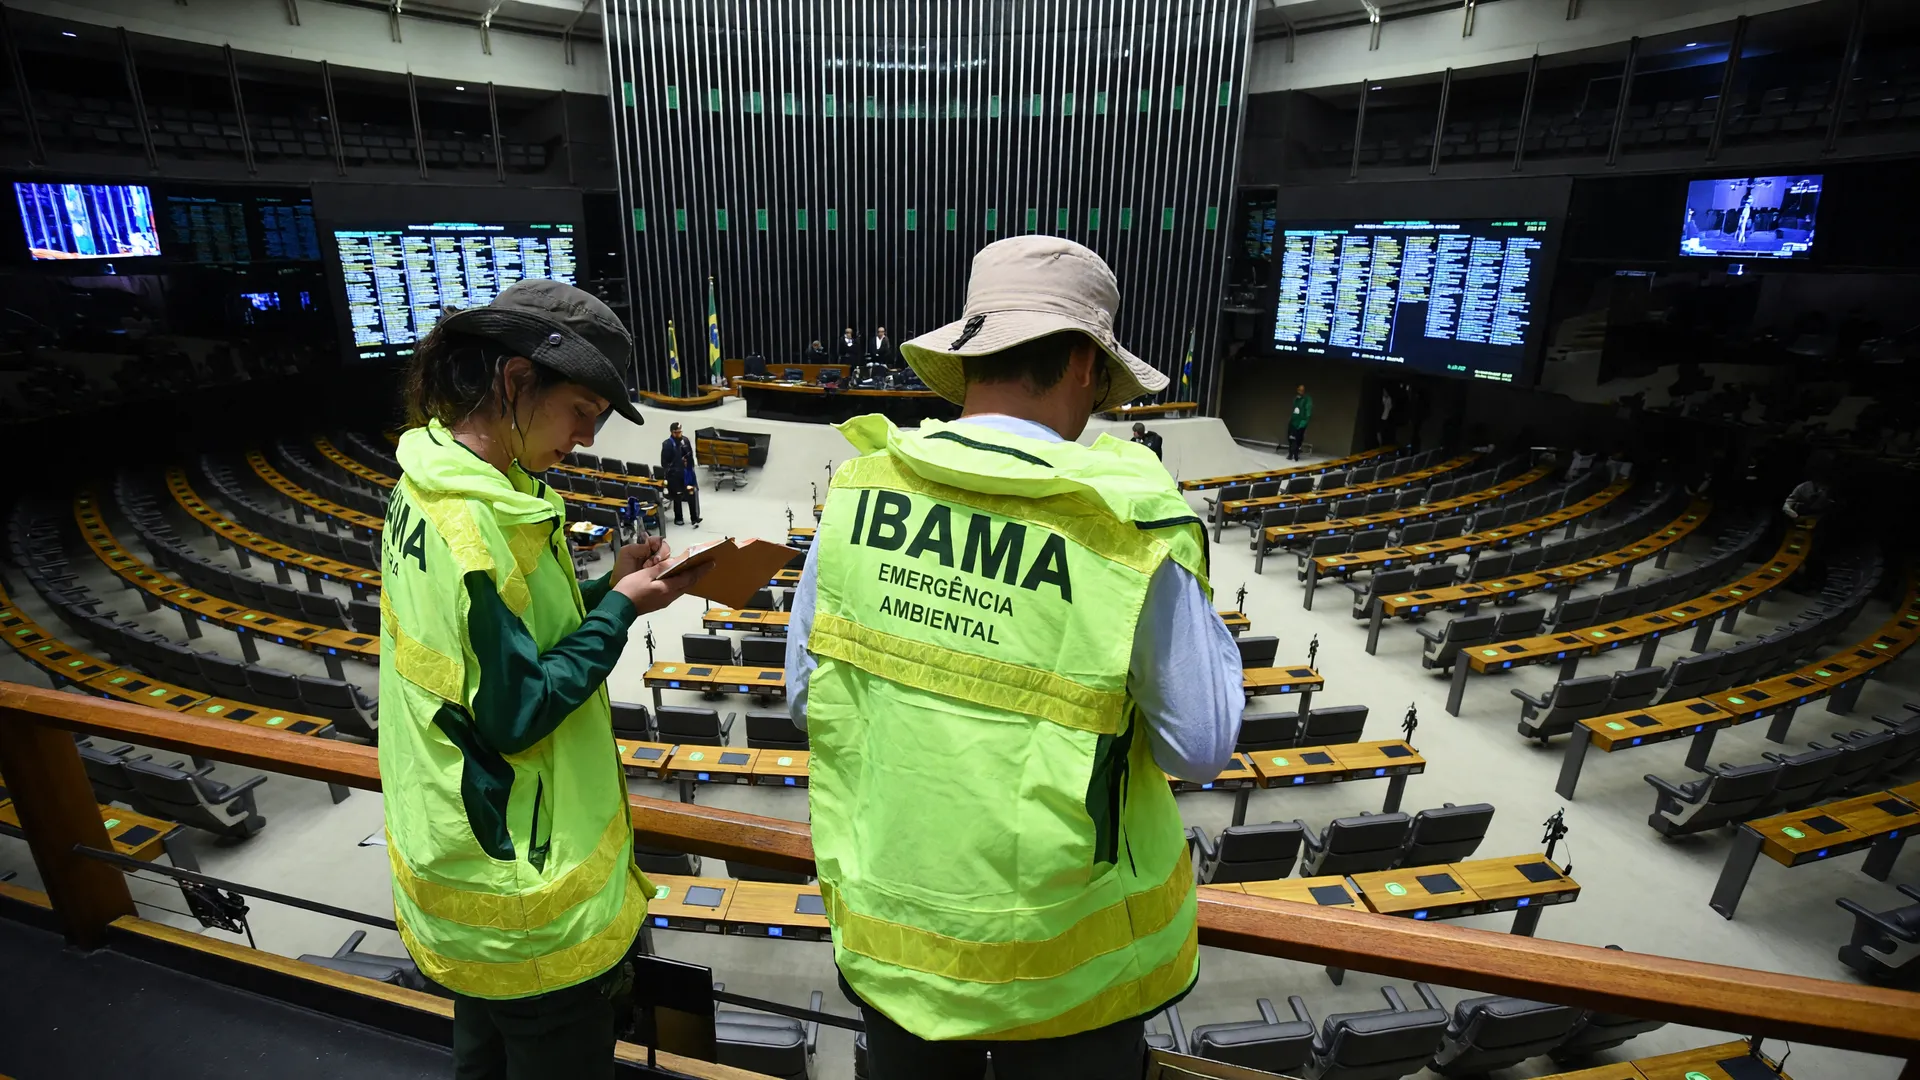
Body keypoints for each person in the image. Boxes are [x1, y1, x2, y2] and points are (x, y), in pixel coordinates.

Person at [785, 236, 1244, 1079]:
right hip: (1071, 978)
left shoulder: (859, 495)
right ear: (1080, 362)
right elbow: (1202, 746)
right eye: (1103, 379)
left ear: (974, 354)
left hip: (897, 953)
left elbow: (806, 696)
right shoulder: (1130, 523)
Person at [378, 279, 709, 1080]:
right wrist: (621, 614)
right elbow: (518, 707)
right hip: (526, 903)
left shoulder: (432, 487)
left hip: (468, 881)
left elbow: (507, 649)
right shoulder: (477, 527)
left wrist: (607, 590)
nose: (586, 440)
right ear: (518, 381)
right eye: (581, 414)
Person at [660, 420, 701, 527]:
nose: (679, 434)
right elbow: (664, 462)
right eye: (676, 432)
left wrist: (690, 466)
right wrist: (674, 469)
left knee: (691, 495)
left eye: (680, 432)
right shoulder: (667, 444)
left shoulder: (685, 440)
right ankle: (678, 518)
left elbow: (690, 455)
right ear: (672, 432)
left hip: (687, 473)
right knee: (677, 497)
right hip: (675, 476)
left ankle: (694, 517)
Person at [1286, 383, 1312, 460]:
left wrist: (1303, 423)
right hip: (1293, 421)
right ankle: (1290, 453)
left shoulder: (1307, 399)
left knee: (1298, 439)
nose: (1301, 391)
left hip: (1301, 423)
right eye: (1299, 389)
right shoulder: (1296, 399)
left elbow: (1308, 412)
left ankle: (1296, 454)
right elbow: (1294, 410)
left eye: (1302, 390)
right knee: (1291, 438)